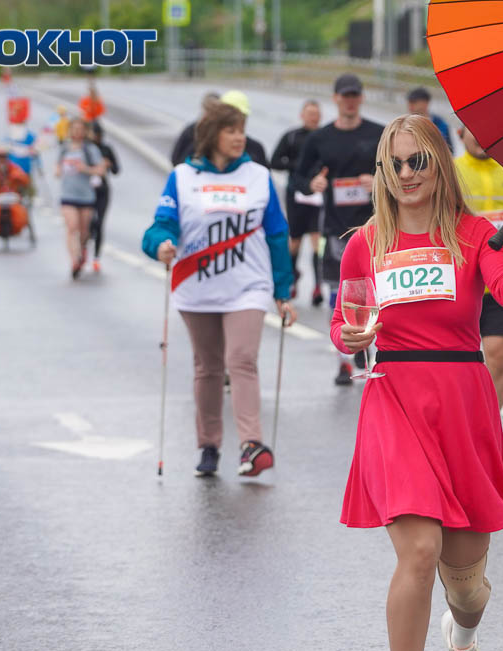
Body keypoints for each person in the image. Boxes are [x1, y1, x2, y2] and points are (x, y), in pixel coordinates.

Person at [329, 113, 503, 651]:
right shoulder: (365, 242)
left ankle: (462, 640)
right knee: (418, 550)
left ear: (438, 164)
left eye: (418, 162)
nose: (406, 174)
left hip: (462, 401)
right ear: (384, 170)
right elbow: (346, 319)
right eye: (395, 164)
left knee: (466, 589)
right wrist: (349, 337)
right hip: (394, 399)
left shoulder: (475, 232)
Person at [142, 100, 295, 477]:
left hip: (248, 285)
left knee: (241, 359)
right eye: (231, 130)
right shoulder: (182, 177)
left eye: (242, 129)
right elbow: (161, 225)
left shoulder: (259, 176)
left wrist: (282, 291)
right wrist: (160, 244)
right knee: (207, 368)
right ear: (212, 135)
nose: (239, 137)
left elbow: (277, 234)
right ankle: (209, 445)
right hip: (197, 286)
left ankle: (251, 445)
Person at [292, 73, 384, 384]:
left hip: (376, 228)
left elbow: (400, 173)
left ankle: (370, 348)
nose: (350, 100)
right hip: (335, 228)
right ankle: (344, 361)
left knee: (377, 293)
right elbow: (297, 177)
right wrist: (312, 183)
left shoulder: (377, 134)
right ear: (335, 98)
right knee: (340, 292)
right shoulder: (320, 139)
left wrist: (380, 183)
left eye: (354, 95)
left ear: (361, 98)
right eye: (345, 95)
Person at [455, 125, 503, 408]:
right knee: (459, 365)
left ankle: (490, 427)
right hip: (461, 282)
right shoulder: (449, 172)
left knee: (497, 357)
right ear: (461, 133)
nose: (480, 137)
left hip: (501, 282)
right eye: (473, 131)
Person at [270, 99, 324, 303]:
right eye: (310, 114)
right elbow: (274, 161)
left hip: (318, 196)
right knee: (295, 242)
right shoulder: (292, 136)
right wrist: (297, 165)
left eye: (316, 114)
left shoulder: (324, 137)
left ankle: (318, 287)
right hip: (296, 195)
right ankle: (293, 278)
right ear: (302, 115)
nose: (313, 118)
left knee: (318, 242)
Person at [55, 118, 105, 279]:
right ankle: (74, 260)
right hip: (68, 194)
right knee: (72, 227)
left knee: (84, 230)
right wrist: (58, 171)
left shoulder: (90, 150)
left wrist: (86, 169)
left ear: (85, 131)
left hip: (85, 195)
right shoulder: (64, 148)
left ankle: (82, 251)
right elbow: (57, 166)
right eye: (74, 129)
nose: (77, 132)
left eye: (80, 129)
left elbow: (100, 170)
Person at [170, 90, 269, 167]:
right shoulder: (192, 157)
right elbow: (177, 160)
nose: (238, 138)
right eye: (230, 131)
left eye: (241, 131)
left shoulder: (256, 155)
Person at [88, 121, 120, 273]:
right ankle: (83, 250)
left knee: (100, 222)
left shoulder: (106, 148)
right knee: (88, 222)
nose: (96, 137)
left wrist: (108, 164)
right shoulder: (86, 148)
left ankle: (96, 257)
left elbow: (117, 170)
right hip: (86, 189)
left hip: (102, 188)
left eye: (98, 135)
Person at [0, 145, 30, 236]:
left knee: (18, 213)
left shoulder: (14, 168)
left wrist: (15, 177)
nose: (1, 159)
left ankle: (15, 229)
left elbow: (24, 178)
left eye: (3, 157)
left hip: (12, 199)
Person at [406, 87, 452, 152]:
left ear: (426, 103)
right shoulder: (405, 124)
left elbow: (450, 150)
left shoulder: (441, 125)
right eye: (409, 102)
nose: (410, 105)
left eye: (414, 102)